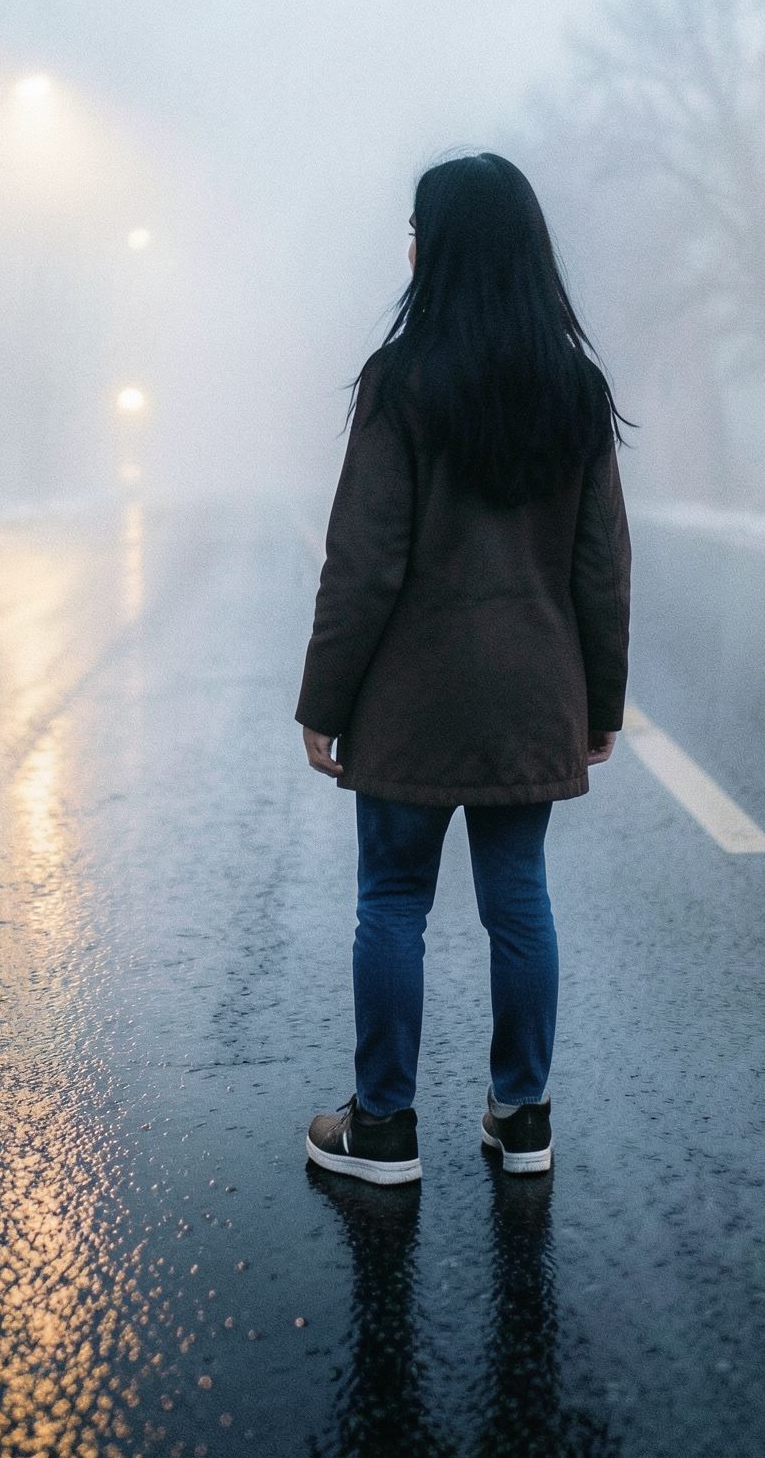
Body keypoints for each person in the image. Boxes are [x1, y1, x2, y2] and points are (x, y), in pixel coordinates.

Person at [298, 151, 631, 1186]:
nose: (407, 248)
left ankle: (382, 1127)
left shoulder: (399, 383)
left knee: (392, 901)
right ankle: (521, 1117)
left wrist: (324, 698)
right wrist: (600, 702)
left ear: (440, 248)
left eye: (416, 231)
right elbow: (601, 566)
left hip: (411, 698)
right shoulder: (575, 390)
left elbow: (364, 560)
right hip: (531, 695)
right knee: (517, 900)